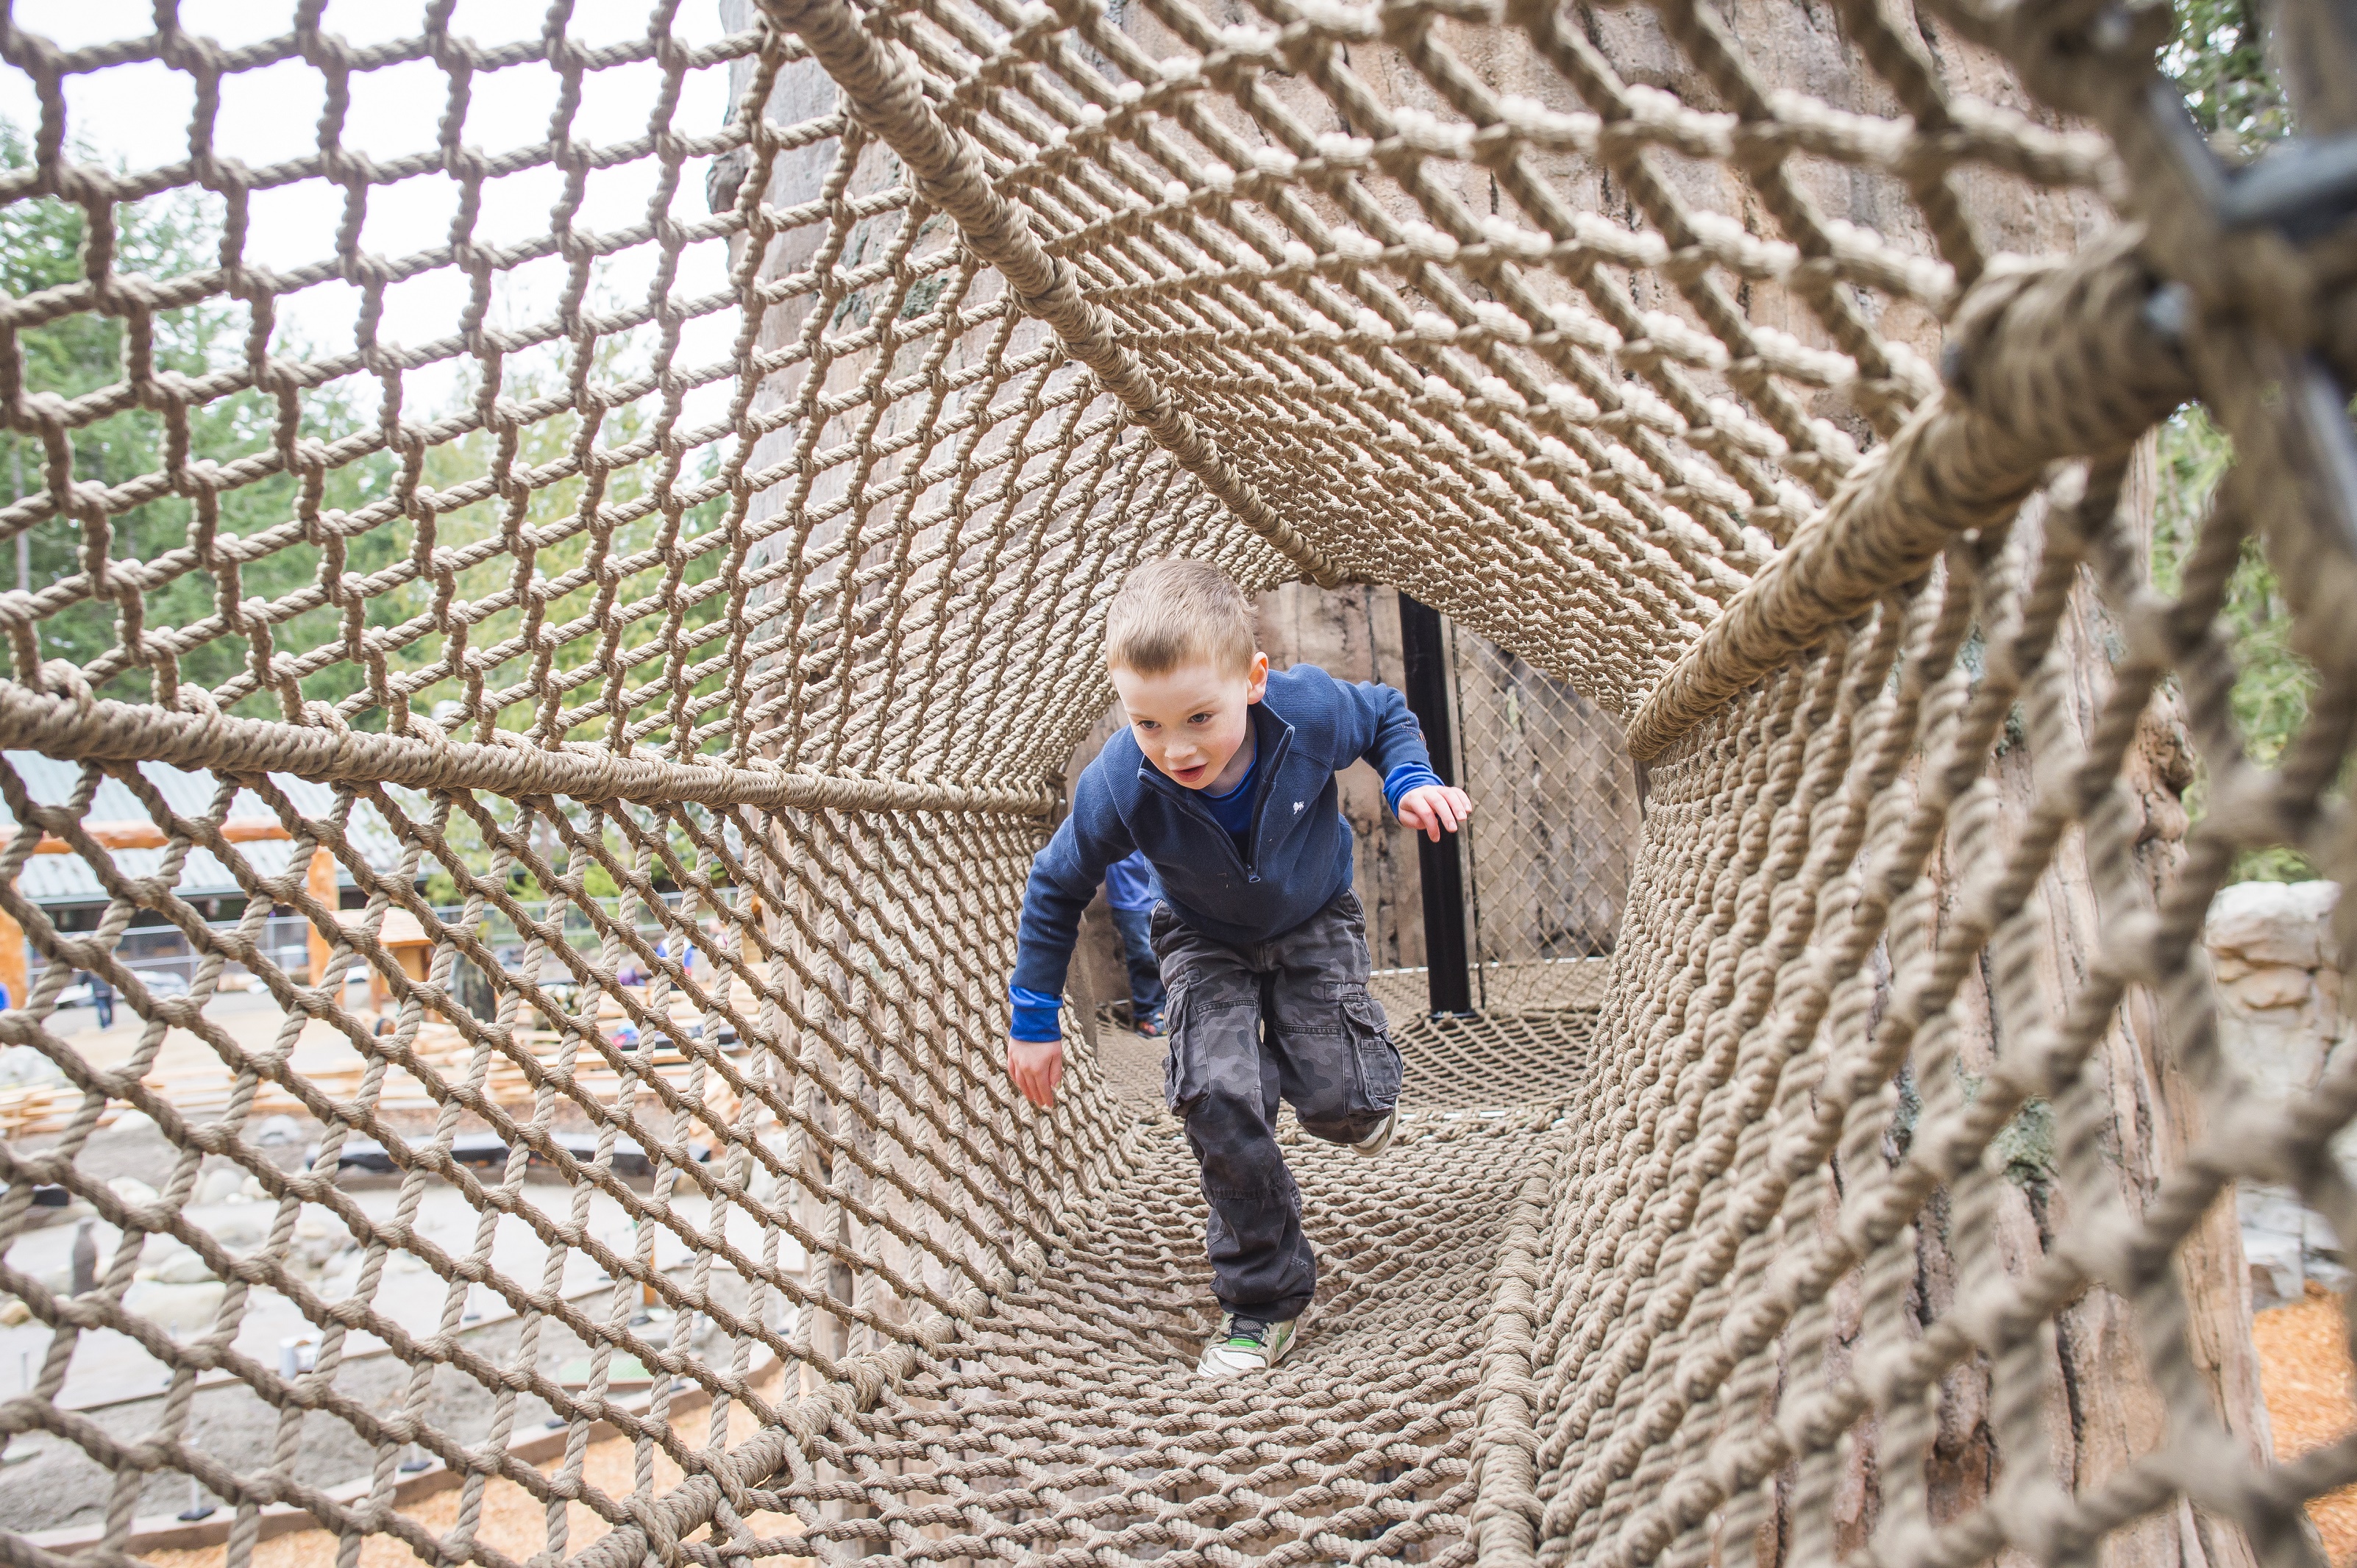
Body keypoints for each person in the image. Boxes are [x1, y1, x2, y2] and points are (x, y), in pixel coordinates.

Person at [1005, 560, 1472, 1381]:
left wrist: (1410, 778)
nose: (1176, 747)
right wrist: (1034, 1017)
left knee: (1342, 1102)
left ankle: (1348, 1089)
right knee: (1216, 1094)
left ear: (1252, 682)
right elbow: (1056, 885)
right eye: (1148, 723)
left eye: (1198, 717)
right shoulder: (1120, 780)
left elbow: (1387, 715)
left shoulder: (1306, 711)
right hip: (1202, 937)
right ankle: (1262, 1301)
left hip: (1312, 917)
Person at [1103, 850, 1167, 1036]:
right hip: (1129, 897)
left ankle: (1175, 1008)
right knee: (1144, 956)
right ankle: (1150, 1013)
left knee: (1177, 951)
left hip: (1166, 892)